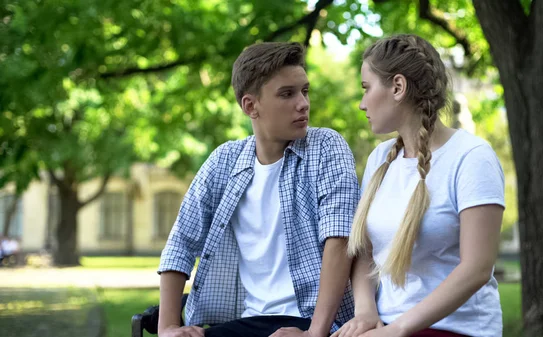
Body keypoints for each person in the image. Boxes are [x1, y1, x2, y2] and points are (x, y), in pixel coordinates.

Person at [157, 41, 360, 337]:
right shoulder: (224, 161)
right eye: (287, 94)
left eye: (305, 91)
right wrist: (168, 327)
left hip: (315, 323)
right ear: (251, 106)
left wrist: (313, 335)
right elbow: (181, 242)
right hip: (244, 322)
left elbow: (339, 239)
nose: (303, 103)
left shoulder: (326, 146)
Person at [332, 34, 505, 337]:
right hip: (388, 324)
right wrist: (365, 313)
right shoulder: (379, 159)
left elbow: (477, 268)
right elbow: (365, 252)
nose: (361, 104)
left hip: (456, 328)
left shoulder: (472, 158)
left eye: (366, 88)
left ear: (397, 87)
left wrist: (397, 330)